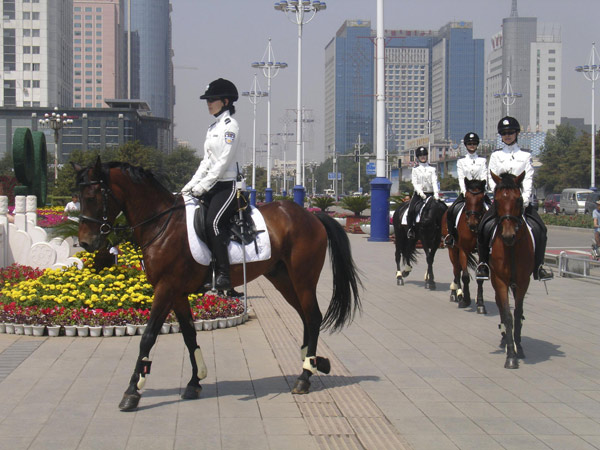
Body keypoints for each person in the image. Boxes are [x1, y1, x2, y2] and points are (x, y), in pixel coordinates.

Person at [475, 116, 553, 281]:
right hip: (502, 203)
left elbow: (529, 177)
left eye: (510, 132)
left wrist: (524, 198)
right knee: (483, 228)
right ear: (501, 136)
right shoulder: (496, 156)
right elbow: (491, 179)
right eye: (504, 133)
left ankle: (539, 266)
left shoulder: (525, 155)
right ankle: (483, 264)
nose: (508, 135)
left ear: (517, 133)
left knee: (541, 230)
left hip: (520, 202)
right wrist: (498, 195)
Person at [182, 78, 241, 290]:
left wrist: (203, 186)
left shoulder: (230, 127)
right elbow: (206, 162)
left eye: (212, 99)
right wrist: (189, 187)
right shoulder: (212, 128)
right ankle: (205, 271)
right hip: (210, 186)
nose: (208, 103)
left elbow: (223, 162)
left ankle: (224, 274)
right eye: (207, 100)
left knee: (212, 223)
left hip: (227, 187)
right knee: (192, 221)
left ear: (225, 101)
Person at [444, 132, 489, 247]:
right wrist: (465, 192)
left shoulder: (482, 160)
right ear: (466, 145)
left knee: (492, 209)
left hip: (479, 193)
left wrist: (482, 190)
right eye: (469, 144)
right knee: (451, 211)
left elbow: (484, 176)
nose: (472, 146)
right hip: (467, 193)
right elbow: (461, 177)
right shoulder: (461, 161)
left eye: (474, 143)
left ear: (477, 145)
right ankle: (451, 235)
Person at [406, 146, 439, 239]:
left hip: (430, 194)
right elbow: (414, 183)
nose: (423, 157)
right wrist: (420, 193)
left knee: (441, 209)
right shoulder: (415, 170)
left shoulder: (432, 169)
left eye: (424, 155)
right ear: (418, 157)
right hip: (419, 195)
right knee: (411, 210)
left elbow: (434, 181)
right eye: (421, 155)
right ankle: (410, 229)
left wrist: (436, 193)